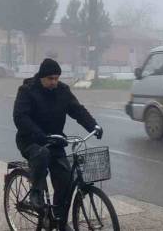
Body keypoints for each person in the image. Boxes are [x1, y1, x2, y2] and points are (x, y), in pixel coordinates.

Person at [13, 58, 103, 210]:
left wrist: (93, 125)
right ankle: (36, 192)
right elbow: (20, 117)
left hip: (55, 141)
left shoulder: (62, 91)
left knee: (65, 182)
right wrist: (38, 134)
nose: (54, 82)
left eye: (57, 78)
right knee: (41, 154)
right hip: (30, 141)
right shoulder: (27, 90)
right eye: (50, 78)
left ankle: (58, 220)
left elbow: (77, 110)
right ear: (41, 77)